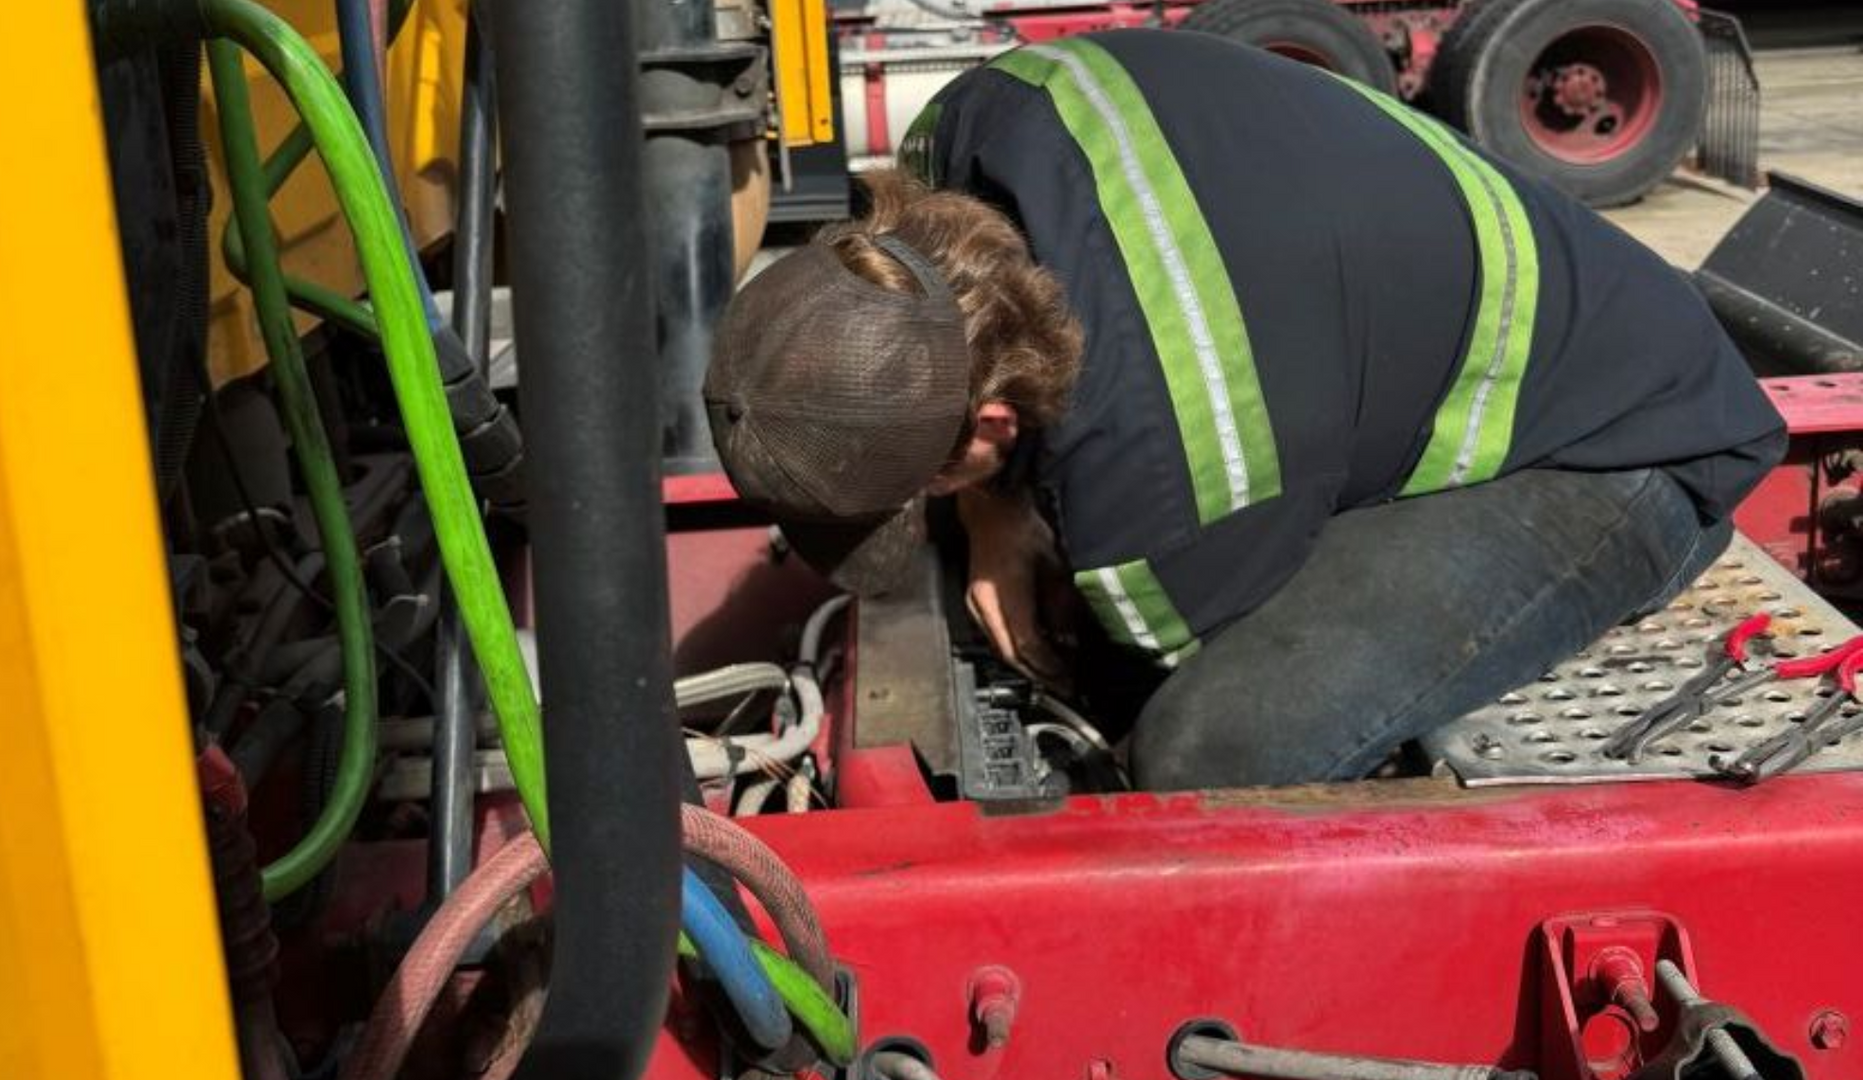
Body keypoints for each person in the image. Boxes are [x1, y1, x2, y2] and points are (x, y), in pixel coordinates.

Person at [702, 29, 1785, 790]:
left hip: (1625, 441)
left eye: (928, 483)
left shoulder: (1165, 499)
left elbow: (1137, 676)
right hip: (1502, 305)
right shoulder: (965, 128)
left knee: (1206, 755)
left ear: (990, 426)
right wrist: (989, 513)